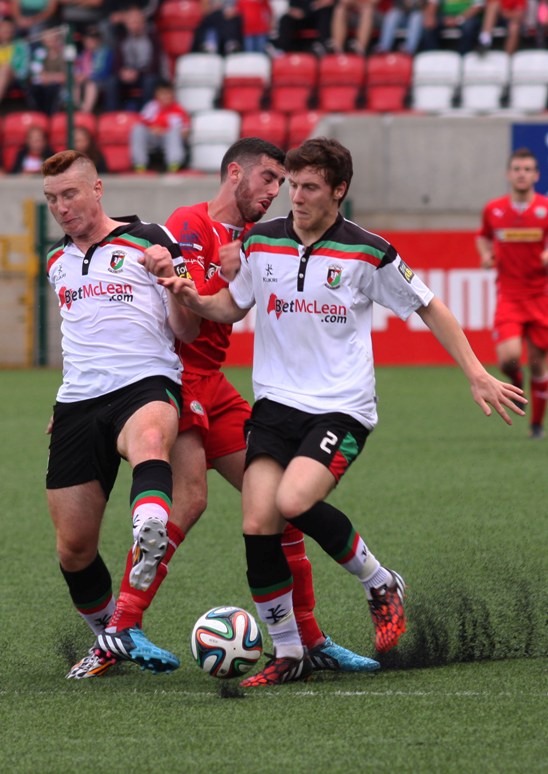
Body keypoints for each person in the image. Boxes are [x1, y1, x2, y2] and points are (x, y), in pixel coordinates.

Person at [159, 137, 526, 687]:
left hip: (340, 408)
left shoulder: (367, 251)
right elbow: (233, 304)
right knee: (258, 522)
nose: (296, 197)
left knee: (291, 502)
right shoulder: (261, 241)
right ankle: (290, 654)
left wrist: (475, 372)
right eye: (293, 186)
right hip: (275, 405)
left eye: (309, 187)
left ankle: (380, 581)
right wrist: (192, 299)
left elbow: (429, 306)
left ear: (338, 191)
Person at [68, 137, 381, 679]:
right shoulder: (189, 224)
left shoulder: (258, 237)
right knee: (189, 500)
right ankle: (120, 628)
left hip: (214, 383)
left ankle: (310, 640)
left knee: (277, 503)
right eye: (269, 179)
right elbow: (182, 307)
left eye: (283, 183)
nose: (276, 192)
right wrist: (224, 269)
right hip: (178, 378)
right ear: (235, 173)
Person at [42, 149, 199, 677]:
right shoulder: (56, 260)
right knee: (73, 549)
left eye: (69, 194)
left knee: (149, 442)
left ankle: (149, 527)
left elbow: (188, 329)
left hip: (145, 382)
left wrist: (173, 280)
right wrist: (61, 402)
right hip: (78, 402)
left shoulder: (150, 238)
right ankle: (111, 636)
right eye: (52, 199)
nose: (61, 207)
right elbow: (79, 336)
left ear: (97, 189)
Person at [476, 147, 548, 439]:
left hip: (540, 296)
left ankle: (536, 425)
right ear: (509, 174)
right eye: (517, 169)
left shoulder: (545, 208)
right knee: (508, 358)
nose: (522, 174)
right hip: (509, 295)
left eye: (527, 169)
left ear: (536, 175)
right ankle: (516, 381)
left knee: (539, 362)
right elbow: (483, 236)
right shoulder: (494, 209)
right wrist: (485, 255)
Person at [103, 4, 166, 111]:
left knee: (150, 81)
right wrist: (122, 72)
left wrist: (138, 73)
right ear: (126, 24)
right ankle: (112, 115)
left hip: (146, 74)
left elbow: (155, 64)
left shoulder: (153, 38)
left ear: (144, 23)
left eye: (138, 22)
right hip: (127, 75)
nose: (135, 25)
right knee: (111, 82)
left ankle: (145, 113)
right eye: (132, 22)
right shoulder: (122, 38)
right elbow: (117, 61)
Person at [129, 79, 190, 174]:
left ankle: (173, 165)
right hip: (153, 137)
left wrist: (168, 131)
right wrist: (153, 129)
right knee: (138, 129)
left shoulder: (179, 110)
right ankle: (139, 165)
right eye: (162, 93)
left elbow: (185, 132)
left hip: (169, 139)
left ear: (173, 95)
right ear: (156, 94)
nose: (165, 96)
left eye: (168, 93)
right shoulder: (151, 107)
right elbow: (142, 122)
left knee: (174, 132)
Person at [73, 24, 113, 113]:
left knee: (90, 85)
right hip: (84, 81)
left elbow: (105, 72)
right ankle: (76, 110)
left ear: (99, 40)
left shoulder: (106, 52)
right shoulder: (82, 55)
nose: (91, 41)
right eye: (88, 38)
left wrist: (88, 76)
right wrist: (79, 76)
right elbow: (77, 69)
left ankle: (85, 112)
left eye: (94, 38)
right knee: (74, 84)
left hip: (101, 81)